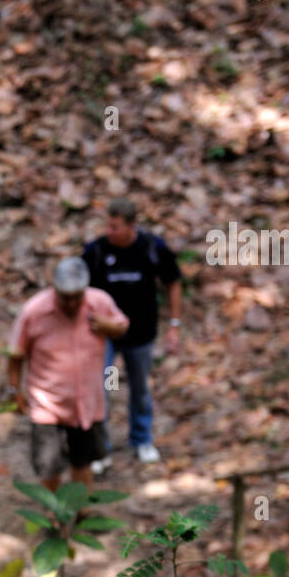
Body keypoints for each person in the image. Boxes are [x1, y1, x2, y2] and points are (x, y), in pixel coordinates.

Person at [7, 257, 130, 492]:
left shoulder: (99, 302)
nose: (72, 303)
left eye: (77, 297)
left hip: (86, 402)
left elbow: (122, 326)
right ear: (54, 288)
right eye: (65, 297)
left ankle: (79, 513)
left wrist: (110, 327)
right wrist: (14, 390)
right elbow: (15, 354)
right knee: (49, 465)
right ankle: (54, 515)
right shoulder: (34, 311)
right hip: (47, 403)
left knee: (82, 461)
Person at [81, 198, 183, 469]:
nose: (109, 231)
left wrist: (174, 324)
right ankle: (100, 448)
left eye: (115, 227)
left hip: (141, 334)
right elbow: (80, 291)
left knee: (140, 388)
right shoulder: (97, 251)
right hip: (104, 336)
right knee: (102, 388)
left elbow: (173, 282)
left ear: (131, 226)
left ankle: (142, 439)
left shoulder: (152, 248)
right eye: (107, 225)